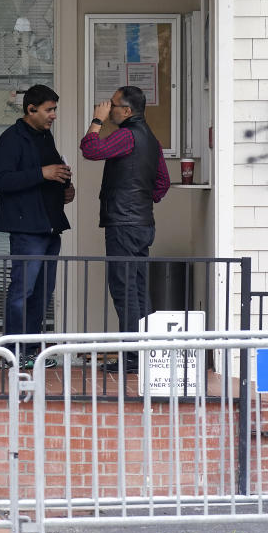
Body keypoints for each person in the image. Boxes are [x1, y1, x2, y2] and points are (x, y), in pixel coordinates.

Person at [80, 86, 170, 372]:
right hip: (143, 223)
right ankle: (145, 351)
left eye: (113, 105)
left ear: (128, 111)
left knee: (125, 289)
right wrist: (142, 200)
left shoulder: (127, 135)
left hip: (123, 224)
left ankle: (132, 355)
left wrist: (96, 121)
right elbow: (162, 183)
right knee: (139, 287)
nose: (108, 108)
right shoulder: (151, 140)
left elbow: (91, 150)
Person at [0, 85, 75, 369]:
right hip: (27, 229)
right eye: (49, 110)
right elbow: (1, 181)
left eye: (54, 110)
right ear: (31, 109)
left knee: (42, 293)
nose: (53, 115)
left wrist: (66, 187)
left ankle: (30, 350)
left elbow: (50, 175)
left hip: (50, 226)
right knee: (22, 292)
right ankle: (11, 353)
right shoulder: (10, 139)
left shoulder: (44, 137)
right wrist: (43, 173)